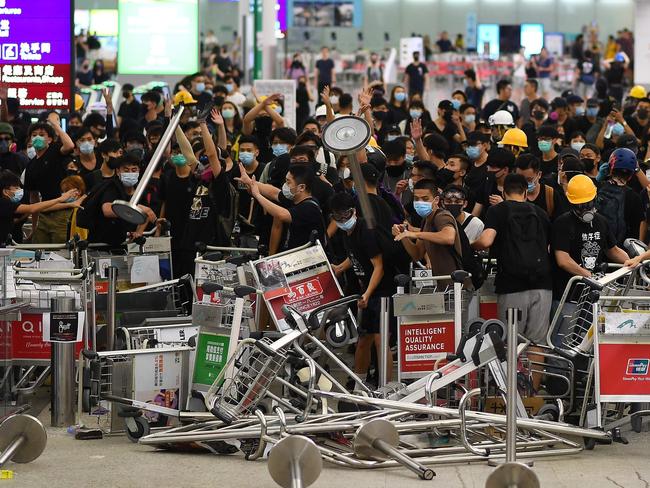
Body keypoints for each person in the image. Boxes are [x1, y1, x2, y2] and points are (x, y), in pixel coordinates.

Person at [473, 173, 553, 387]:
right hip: (543, 285)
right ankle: (533, 394)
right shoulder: (541, 213)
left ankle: (511, 392)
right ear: (526, 192)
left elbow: (487, 240)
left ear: (503, 191)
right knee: (537, 342)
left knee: (509, 340)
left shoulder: (498, 211)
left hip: (511, 285)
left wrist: (471, 245)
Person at [330, 192, 394, 387]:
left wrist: (367, 293)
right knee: (363, 338)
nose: (342, 220)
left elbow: (379, 266)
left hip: (384, 291)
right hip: (368, 290)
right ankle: (360, 383)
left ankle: (385, 387)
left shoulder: (366, 231)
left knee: (380, 340)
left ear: (354, 212)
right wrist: (340, 267)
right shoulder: (347, 233)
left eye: (346, 215)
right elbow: (356, 255)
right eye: (337, 217)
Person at [552, 174, 628, 300]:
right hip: (567, 295)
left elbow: (612, 250)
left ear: (595, 197)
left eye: (589, 203)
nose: (585, 208)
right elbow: (563, 260)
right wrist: (589, 276)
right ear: (571, 203)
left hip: (593, 295)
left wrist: (634, 262)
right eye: (580, 205)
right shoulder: (562, 223)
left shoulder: (601, 221)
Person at [236, 163, 326, 251]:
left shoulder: (310, 208)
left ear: (301, 187)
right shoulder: (295, 198)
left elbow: (281, 214)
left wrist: (257, 195)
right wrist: (250, 182)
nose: (285, 185)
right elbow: (273, 192)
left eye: (288, 182)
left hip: (309, 259)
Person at [393, 179, 463, 282]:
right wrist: (403, 235)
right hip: (442, 283)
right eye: (416, 199)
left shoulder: (442, 216)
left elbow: (448, 237)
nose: (420, 202)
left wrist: (415, 234)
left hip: (457, 285)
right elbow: (417, 254)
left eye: (425, 199)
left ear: (436, 200)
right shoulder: (426, 220)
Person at [24, 117, 76, 244]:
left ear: (50, 139)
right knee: (40, 250)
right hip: (44, 213)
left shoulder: (54, 150)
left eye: (42, 135)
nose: (37, 138)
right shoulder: (30, 166)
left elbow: (69, 145)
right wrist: (35, 226)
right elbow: (34, 198)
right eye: (34, 135)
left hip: (63, 211)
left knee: (61, 251)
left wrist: (55, 125)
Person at [0, 170, 79, 244]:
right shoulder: (4, 203)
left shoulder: (7, 204)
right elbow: (32, 208)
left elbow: (38, 208)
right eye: (16, 188)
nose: (20, 190)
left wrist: (68, 204)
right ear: (5, 191)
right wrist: (60, 199)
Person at [596, 147, 643, 245]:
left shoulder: (597, 188)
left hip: (596, 246)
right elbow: (635, 230)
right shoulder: (635, 197)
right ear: (631, 174)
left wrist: (598, 180)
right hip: (622, 252)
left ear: (610, 168)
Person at [515, 153, 562, 220]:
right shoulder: (512, 194)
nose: (524, 183)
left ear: (539, 174)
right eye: (520, 179)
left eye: (529, 179)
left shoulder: (550, 195)